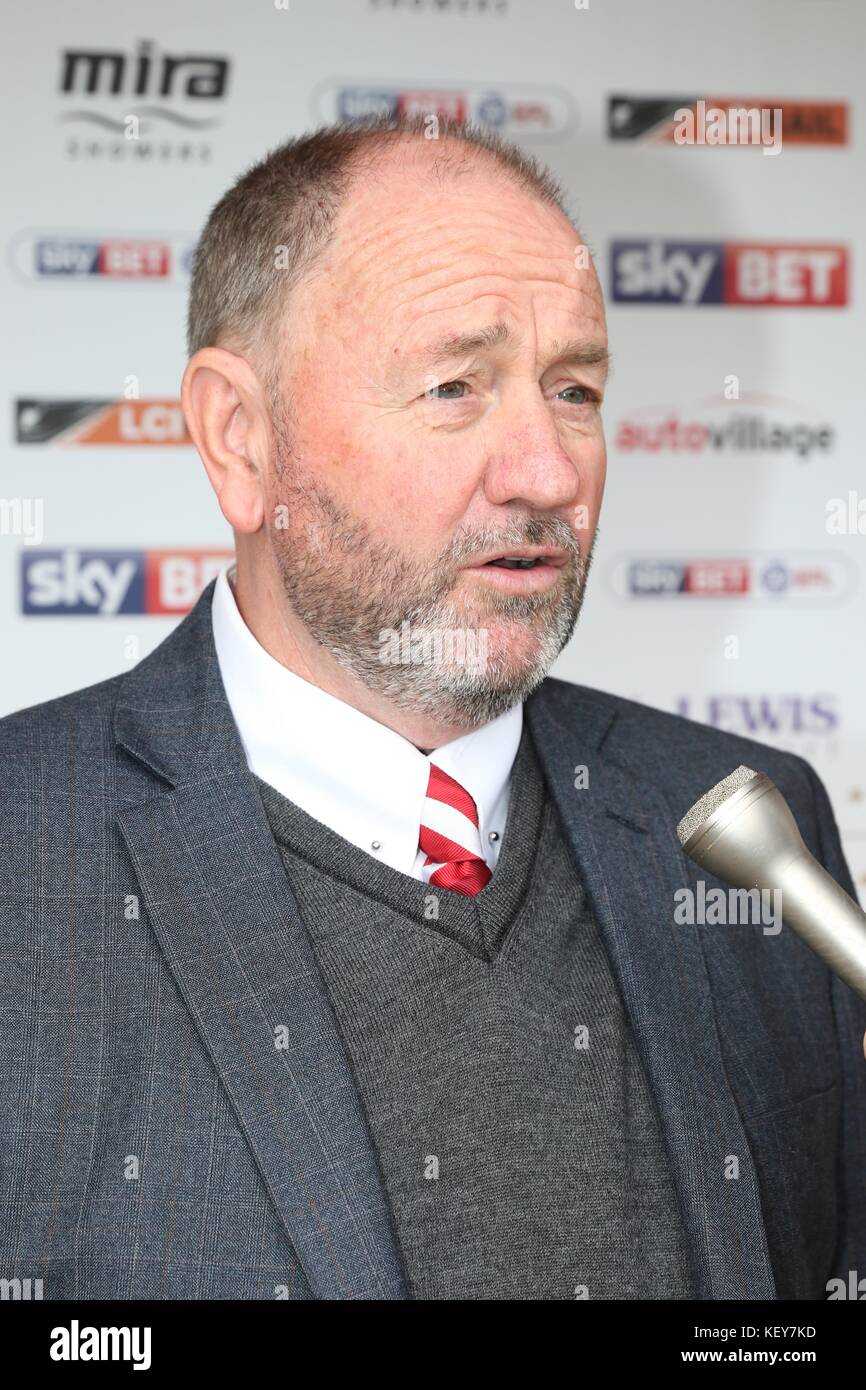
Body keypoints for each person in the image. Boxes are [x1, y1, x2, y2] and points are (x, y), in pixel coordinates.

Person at [1, 114, 863, 1301]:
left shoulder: (747, 826)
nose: (549, 472)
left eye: (573, 388)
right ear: (240, 439)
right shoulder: (20, 853)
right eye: (454, 385)